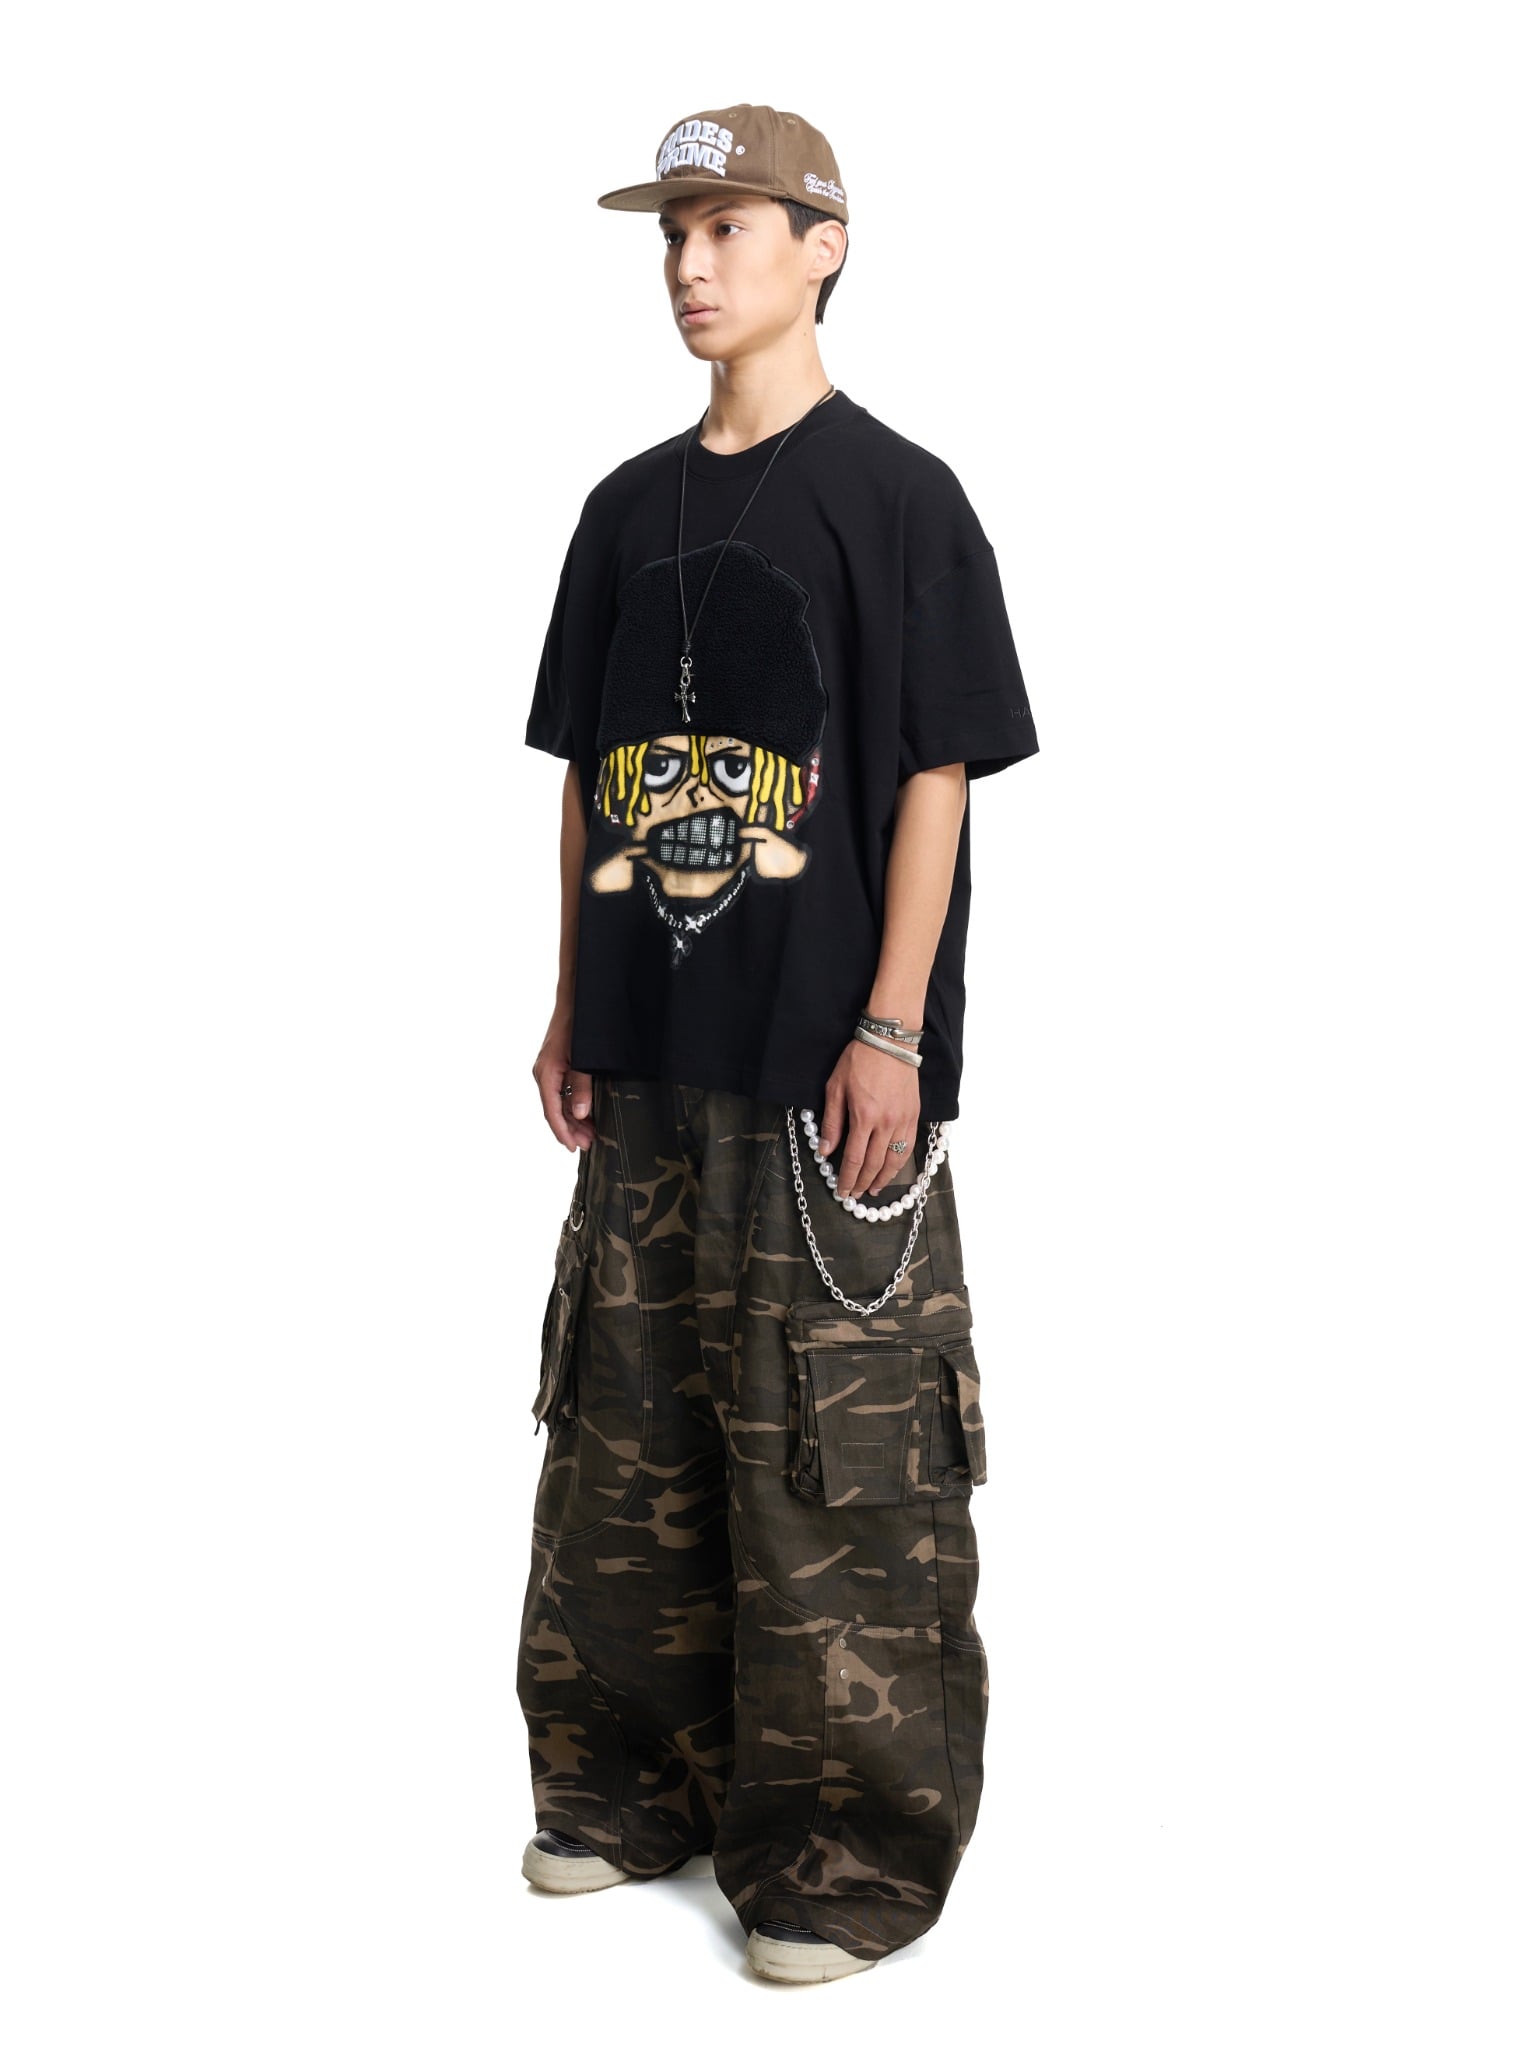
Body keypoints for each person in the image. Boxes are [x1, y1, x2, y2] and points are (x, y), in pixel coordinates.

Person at [518, 103, 1040, 1984]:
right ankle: (624, 1789)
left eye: (729, 226)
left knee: (840, 1460)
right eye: (672, 232)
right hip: (651, 1051)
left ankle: (842, 1857)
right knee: (623, 1431)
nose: (689, 263)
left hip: (825, 1069)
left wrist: (894, 1023)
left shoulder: (899, 498)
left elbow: (937, 774)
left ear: (823, 247)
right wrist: (572, 995)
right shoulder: (622, 509)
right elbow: (588, 773)